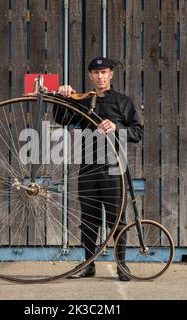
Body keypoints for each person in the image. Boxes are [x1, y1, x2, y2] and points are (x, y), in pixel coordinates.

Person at [52, 57, 143, 281]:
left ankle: (122, 265)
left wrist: (116, 126)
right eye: (96, 73)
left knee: (117, 219)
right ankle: (88, 264)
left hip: (113, 167)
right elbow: (62, 118)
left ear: (111, 74)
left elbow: (137, 133)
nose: (100, 77)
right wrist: (60, 97)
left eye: (104, 72)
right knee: (89, 219)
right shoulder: (83, 100)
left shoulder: (123, 102)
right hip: (88, 167)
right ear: (90, 76)